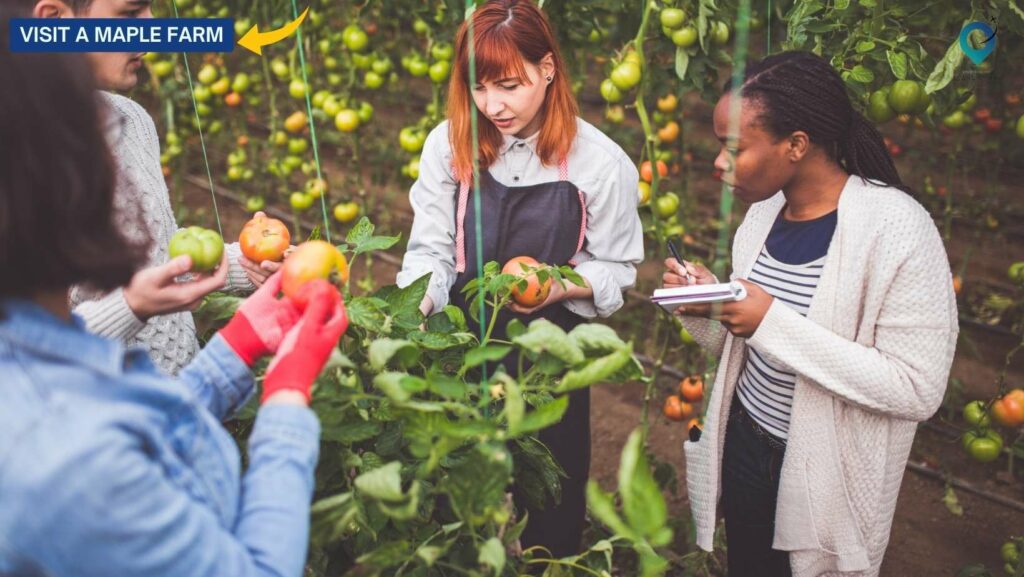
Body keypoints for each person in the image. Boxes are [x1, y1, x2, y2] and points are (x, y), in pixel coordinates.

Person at [0, 18, 347, 576]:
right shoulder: (62, 459)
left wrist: (231, 353)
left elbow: (132, 431)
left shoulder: (37, 349)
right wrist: (285, 399)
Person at [664, 51, 958, 577]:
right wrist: (712, 306)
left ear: (796, 144)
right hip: (746, 442)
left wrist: (768, 319)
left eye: (734, 149)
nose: (718, 163)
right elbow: (749, 349)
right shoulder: (759, 218)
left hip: (824, 470)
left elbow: (917, 388)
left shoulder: (896, 228)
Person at [397, 0, 644, 558]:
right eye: (479, 89)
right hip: (463, 342)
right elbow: (432, 251)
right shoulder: (450, 144)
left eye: (509, 85)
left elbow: (618, 269)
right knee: (451, 491)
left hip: (548, 361)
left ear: (549, 69)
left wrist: (560, 285)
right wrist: (415, 309)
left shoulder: (601, 165)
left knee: (550, 500)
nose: (493, 105)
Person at [28, 0, 283, 376]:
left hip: (174, 407)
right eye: (130, 15)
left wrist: (247, 265)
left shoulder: (131, 121)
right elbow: (25, 351)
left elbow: (154, 253)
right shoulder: (22, 157)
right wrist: (132, 307)